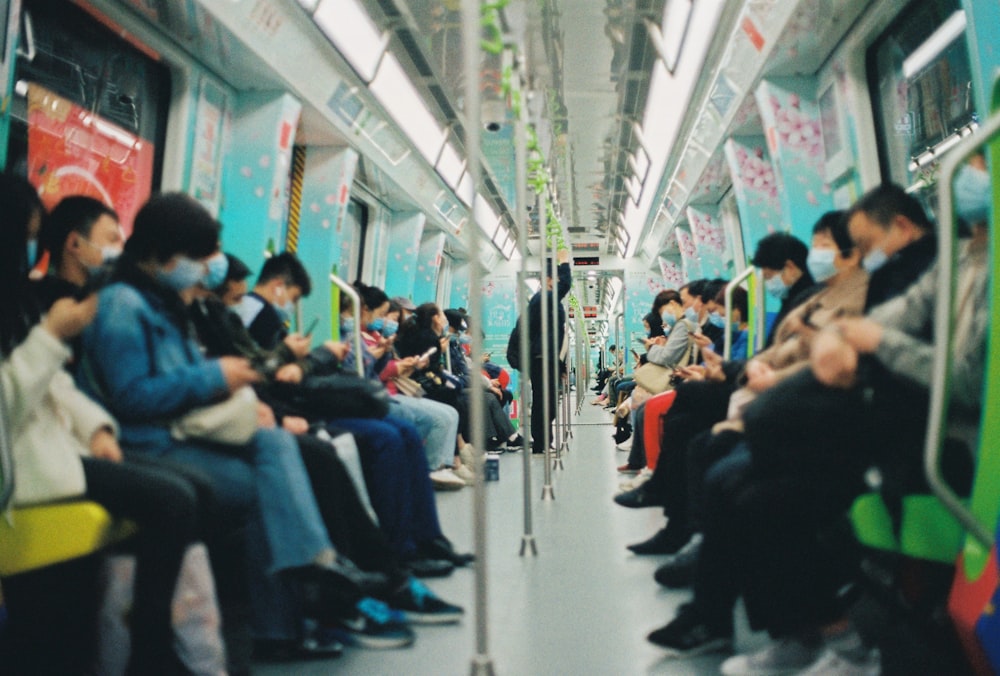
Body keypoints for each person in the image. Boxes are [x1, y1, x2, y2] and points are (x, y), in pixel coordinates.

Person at [75, 193, 413, 649]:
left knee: (274, 444)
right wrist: (216, 377)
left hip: (183, 426)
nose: (199, 269)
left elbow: (178, 379)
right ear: (161, 252)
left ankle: (313, 576)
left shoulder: (162, 301)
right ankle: (303, 593)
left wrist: (222, 383)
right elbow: (132, 397)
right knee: (265, 485)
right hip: (149, 439)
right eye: (194, 257)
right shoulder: (122, 305)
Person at [0, 175, 201, 674]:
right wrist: (50, 337)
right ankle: (149, 652)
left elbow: (55, 389)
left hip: (48, 445)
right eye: (26, 236)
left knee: (184, 491)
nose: (33, 249)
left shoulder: (16, 300)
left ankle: (133, 643)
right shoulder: (43, 306)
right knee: (172, 499)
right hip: (19, 463)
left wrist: (96, 430)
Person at [527, 248, 571, 454]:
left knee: (549, 402)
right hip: (540, 358)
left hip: (548, 357)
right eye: (556, 278)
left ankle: (544, 441)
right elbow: (566, 285)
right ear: (547, 280)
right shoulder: (542, 298)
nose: (559, 282)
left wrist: (560, 364)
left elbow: (554, 336)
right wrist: (564, 263)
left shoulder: (548, 300)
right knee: (544, 402)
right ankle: (540, 443)